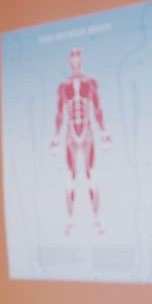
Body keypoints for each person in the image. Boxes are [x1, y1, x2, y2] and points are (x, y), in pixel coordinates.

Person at [50, 47, 111, 235]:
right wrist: (55, 138)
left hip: (87, 133)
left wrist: (103, 133)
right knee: (71, 178)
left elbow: (97, 109)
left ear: (82, 61)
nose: (75, 63)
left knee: (91, 175)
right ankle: (70, 221)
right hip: (70, 135)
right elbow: (60, 113)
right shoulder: (63, 86)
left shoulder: (90, 83)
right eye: (72, 60)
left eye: (78, 59)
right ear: (70, 63)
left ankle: (96, 220)